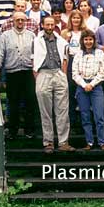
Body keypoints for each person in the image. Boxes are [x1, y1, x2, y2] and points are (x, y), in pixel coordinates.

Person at [33, 16, 76, 154]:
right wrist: (37, 76)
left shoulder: (61, 41)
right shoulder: (36, 41)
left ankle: (63, 142)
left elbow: (65, 59)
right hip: (43, 73)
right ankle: (49, 142)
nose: (50, 27)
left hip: (58, 73)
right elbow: (32, 61)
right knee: (45, 111)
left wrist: (63, 74)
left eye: (52, 24)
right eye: (47, 24)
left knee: (62, 110)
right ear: (43, 25)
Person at [0, 12, 37, 139]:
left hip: (28, 72)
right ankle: (12, 130)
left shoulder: (32, 35)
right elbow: (0, 54)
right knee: (13, 102)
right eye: (18, 20)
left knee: (30, 100)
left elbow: (37, 53)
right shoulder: (5, 36)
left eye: (22, 20)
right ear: (13, 21)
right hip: (12, 72)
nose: (20, 22)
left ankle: (29, 129)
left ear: (25, 20)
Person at [72, 29, 104, 150]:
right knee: (85, 116)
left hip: (96, 86)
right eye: (86, 39)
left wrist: (91, 84)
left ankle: (102, 142)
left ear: (94, 40)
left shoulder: (100, 53)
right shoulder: (78, 54)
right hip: (82, 87)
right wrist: (84, 85)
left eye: (90, 39)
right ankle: (89, 142)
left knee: (99, 116)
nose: (88, 42)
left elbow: (102, 73)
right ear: (82, 41)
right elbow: (74, 73)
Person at [61, 10, 87, 127]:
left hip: (83, 61)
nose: (76, 20)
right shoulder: (65, 32)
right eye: (73, 18)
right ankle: (72, 121)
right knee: (71, 91)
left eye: (78, 18)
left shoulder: (86, 32)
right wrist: (66, 40)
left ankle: (84, 120)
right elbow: (61, 50)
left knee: (82, 91)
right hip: (70, 61)